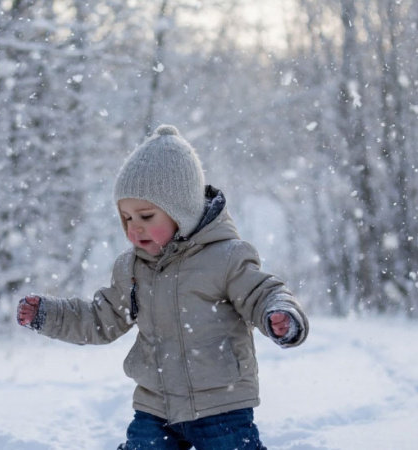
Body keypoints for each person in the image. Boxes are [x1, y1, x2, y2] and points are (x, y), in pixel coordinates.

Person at [17, 124, 309, 450]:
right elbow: (101, 319)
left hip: (221, 405)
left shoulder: (225, 257)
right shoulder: (131, 269)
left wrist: (279, 313)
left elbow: (262, 293)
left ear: (180, 212)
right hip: (155, 407)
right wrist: (49, 315)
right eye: (126, 218)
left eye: (145, 215)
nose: (134, 228)